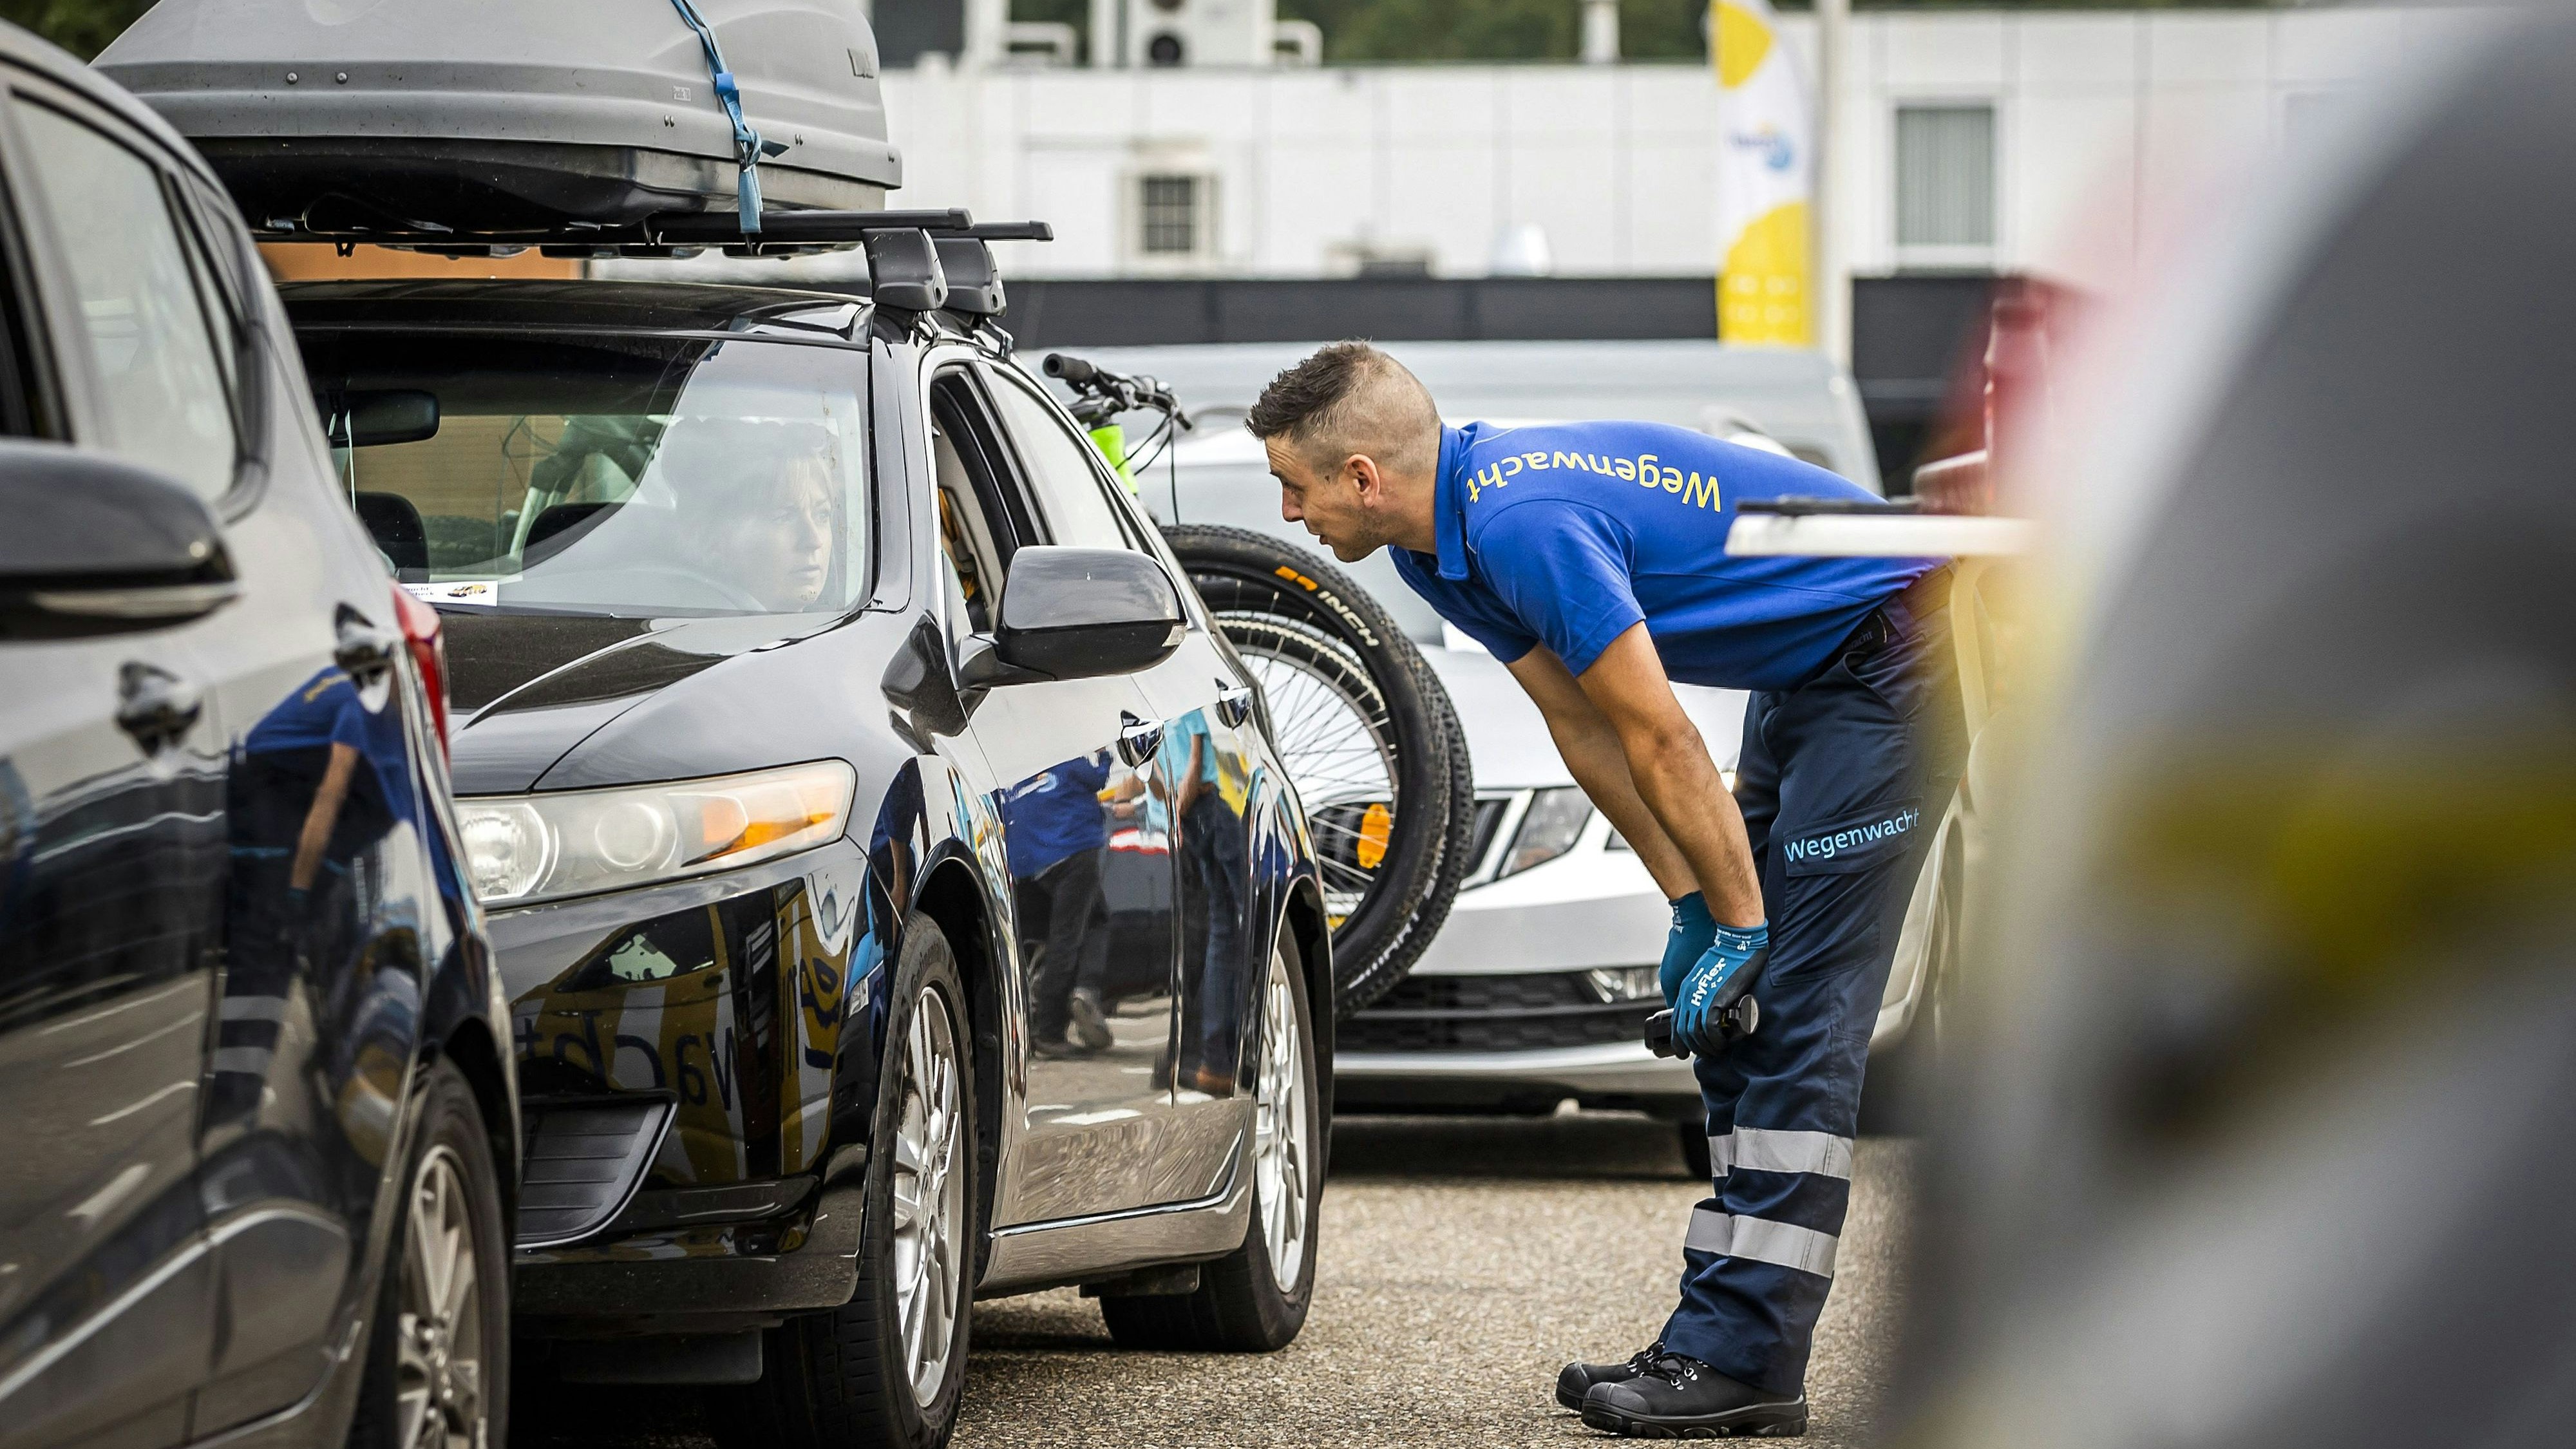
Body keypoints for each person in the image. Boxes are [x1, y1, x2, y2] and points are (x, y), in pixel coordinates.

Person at [1246, 342, 1965, 1439]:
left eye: (1294, 487)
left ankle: (1745, 1360)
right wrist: (1690, 907)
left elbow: (1662, 733)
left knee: (1798, 1009)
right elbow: (1581, 730)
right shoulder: (1437, 552)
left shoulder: (1522, 522)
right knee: (1737, 1013)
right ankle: (1721, 1341)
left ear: (1361, 476)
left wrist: (1740, 920)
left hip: (1894, 656)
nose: (1289, 512)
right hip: (1812, 672)